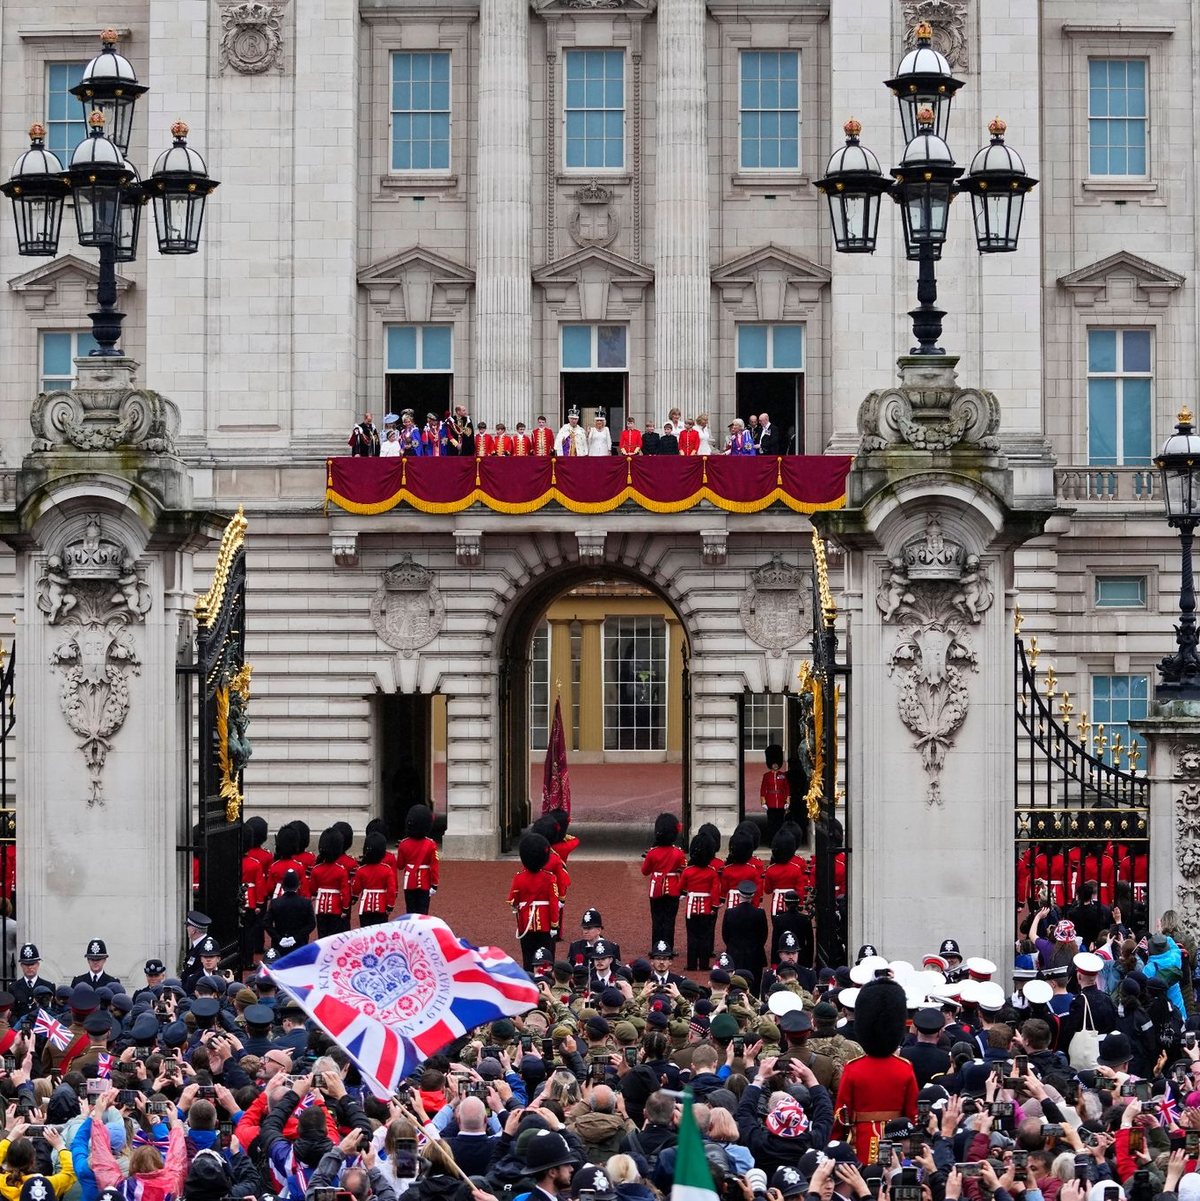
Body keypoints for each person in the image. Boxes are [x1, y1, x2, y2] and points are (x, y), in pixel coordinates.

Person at [831, 978, 918, 1161]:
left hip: (860, 1144)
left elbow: (841, 1115)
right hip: (898, 1141)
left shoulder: (854, 1068)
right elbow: (912, 1115)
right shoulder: (904, 1067)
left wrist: (834, 1143)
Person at [508, 833, 562, 969]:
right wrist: (554, 925)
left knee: (528, 957)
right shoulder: (549, 878)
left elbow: (513, 900)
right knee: (546, 958)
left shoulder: (519, 878)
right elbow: (553, 904)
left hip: (525, 923)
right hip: (545, 923)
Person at [641, 813, 685, 951]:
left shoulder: (652, 853)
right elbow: (683, 870)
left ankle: (656, 947)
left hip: (656, 889)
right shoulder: (678, 853)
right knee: (670, 920)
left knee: (657, 919)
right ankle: (668, 948)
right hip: (673, 888)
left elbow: (645, 871)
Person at [681, 835, 721, 971]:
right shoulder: (712, 872)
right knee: (704, 936)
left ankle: (692, 964)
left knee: (692, 936)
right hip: (706, 908)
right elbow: (715, 891)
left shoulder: (687, 871)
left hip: (691, 907)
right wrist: (714, 907)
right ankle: (704, 964)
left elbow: (682, 886)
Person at [721, 881, 768, 990]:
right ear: (752, 896)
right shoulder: (759, 913)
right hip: (755, 954)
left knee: (735, 984)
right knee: (754, 985)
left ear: (739, 895)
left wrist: (733, 945)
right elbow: (763, 935)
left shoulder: (730, 912)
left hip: (735, 953)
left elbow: (725, 935)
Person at [397, 804, 439, 915]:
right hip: (424, 882)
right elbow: (434, 866)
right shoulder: (431, 844)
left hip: (409, 882)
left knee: (410, 912)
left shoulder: (403, 844)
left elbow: (400, 865)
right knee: (423, 913)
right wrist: (434, 884)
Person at [311, 826, 351, 939]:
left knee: (322, 936)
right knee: (334, 938)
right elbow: (345, 892)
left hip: (320, 907)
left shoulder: (316, 869)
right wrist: (345, 909)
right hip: (336, 907)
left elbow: (313, 889)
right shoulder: (341, 870)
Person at [353, 832, 399, 927]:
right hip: (381, 907)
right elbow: (391, 890)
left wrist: (354, 897)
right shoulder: (387, 870)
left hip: (365, 906)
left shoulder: (361, 870)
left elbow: (356, 889)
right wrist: (390, 906)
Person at [10, 945, 52, 1024]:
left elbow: (52, 1013)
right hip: (19, 1030)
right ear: (21, 965)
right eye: (26, 964)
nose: (29, 967)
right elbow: (12, 1013)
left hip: (41, 1030)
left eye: (32, 964)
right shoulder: (13, 987)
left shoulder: (48, 986)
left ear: (38, 964)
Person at [760, 745, 790, 841]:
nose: (775, 765)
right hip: (770, 802)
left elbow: (787, 789)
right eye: (774, 763)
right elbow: (763, 789)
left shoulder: (783, 775)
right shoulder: (767, 776)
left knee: (780, 823)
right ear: (770, 764)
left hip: (781, 802)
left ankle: (780, 840)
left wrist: (787, 802)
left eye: (777, 763)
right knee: (771, 823)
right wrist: (763, 802)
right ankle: (771, 840)